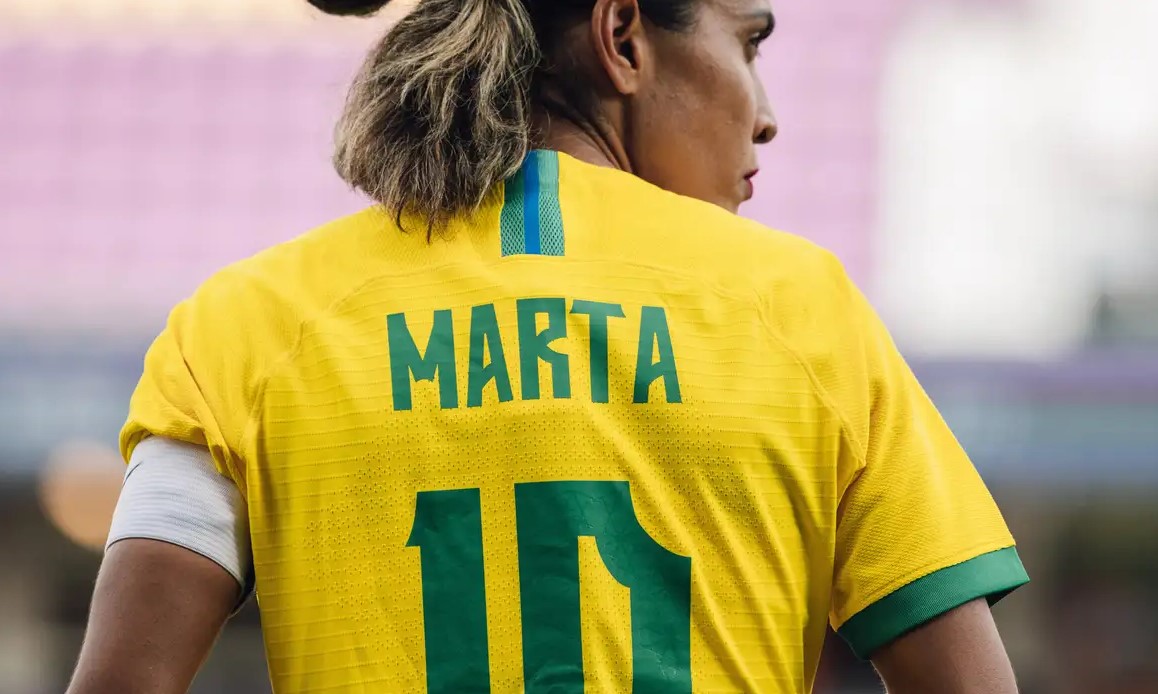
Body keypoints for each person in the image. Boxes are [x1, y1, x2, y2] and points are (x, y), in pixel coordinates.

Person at [67, 0, 1029, 692]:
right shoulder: (801, 311)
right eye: (749, 42)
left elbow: (119, 680)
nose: (767, 113)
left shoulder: (244, 324)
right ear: (623, 38)